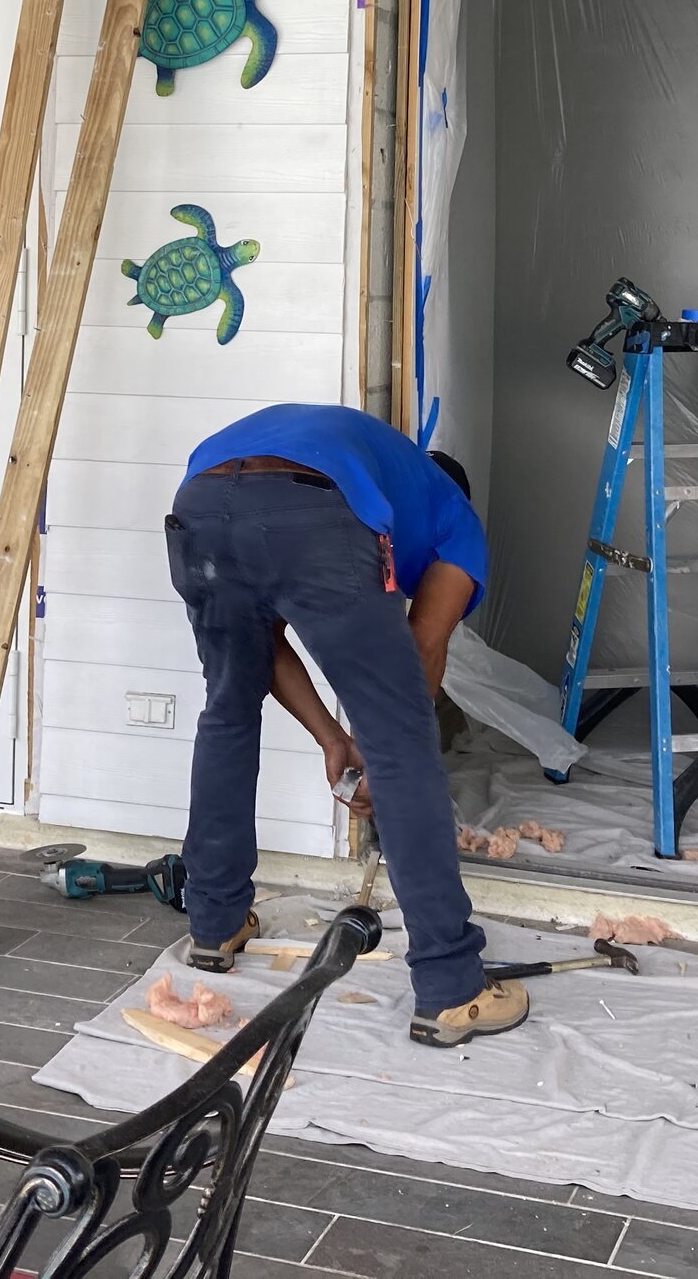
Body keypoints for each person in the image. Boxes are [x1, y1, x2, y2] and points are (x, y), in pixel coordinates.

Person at [164, 403, 525, 1048]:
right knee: (405, 742)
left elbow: (267, 645)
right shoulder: (455, 519)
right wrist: (382, 754)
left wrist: (333, 738)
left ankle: (215, 924)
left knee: (227, 710)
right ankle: (452, 985)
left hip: (202, 502)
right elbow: (422, 653)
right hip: (314, 505)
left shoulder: (380, 467)